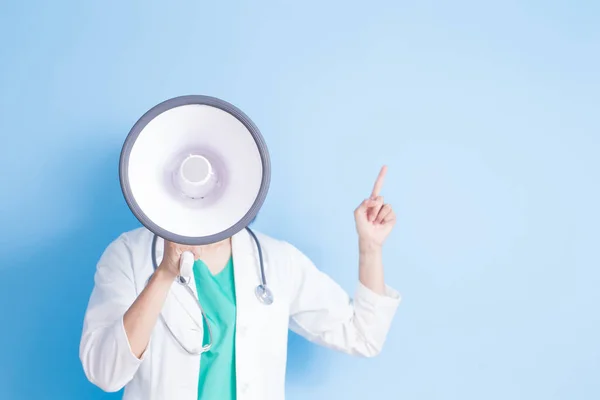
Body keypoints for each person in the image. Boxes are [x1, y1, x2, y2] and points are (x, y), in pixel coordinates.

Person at [79, 165, 401, 400]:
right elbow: (105, 373)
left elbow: (363, 335)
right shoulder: (128, 255)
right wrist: (163, 274)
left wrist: (370, 247)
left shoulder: (277, 261)